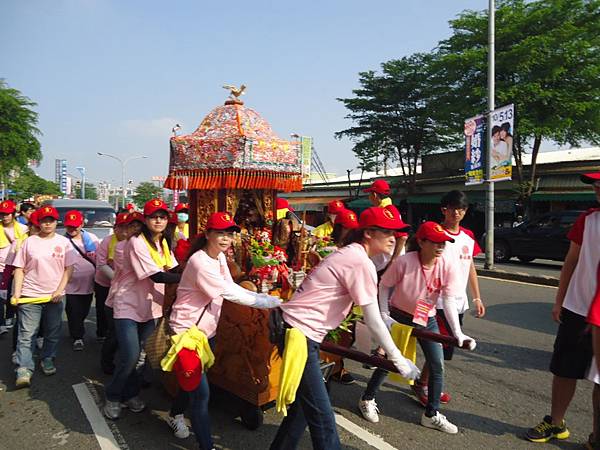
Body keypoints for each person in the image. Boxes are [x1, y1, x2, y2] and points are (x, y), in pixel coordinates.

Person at [270, 206, 420, 450]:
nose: (394, 236)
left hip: (296, 332)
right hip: (300, 336)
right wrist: (398, 358)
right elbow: (373, 320)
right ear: (369, 233)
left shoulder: (355, 253)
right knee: (323, 418)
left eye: (397, 232)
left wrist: (398, 244)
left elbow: (383, 262)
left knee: (302, 409)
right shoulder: (358, 262)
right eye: (387, 231)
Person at [167, 212, 281, 447]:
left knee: (192, 382)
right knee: (201, 395)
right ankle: (206, 445)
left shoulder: (218, 257)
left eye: (229, 234)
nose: (226, 238)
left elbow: (230, 285)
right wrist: (269, 302)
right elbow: (228, 292)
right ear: (208, 234)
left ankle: (174, 414)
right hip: (186, 334)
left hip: (206, 332)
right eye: (220, 233)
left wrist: (263, 297)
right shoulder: (199, 261)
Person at [359, 221, 477, 434]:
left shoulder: (446, 265)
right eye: (436, 242)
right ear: (421, 242)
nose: (441, 247)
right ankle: (367, 398)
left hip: (426, 319)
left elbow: (449, 300)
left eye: (444, 243)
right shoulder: (405, 262)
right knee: (391, 361)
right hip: (399, 316)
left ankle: (431, 414)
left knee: (437, 365)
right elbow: (384, 286)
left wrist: (456, 331)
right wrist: (384, 314)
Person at [525, 171, 600, 443]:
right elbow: (570, 262)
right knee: (564, 369)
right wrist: (560, 301)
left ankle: (596, 435)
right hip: (578, 309)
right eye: (595, 185)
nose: (597, 188)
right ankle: (556, 423)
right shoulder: (588, 220)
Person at [103, 199, 180, 420]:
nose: (158, 220)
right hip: (127, 305)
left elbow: (173, 267)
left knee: (142, 357)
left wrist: (197, 263)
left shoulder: (162, 242)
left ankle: (131, 394)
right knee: (130, 355)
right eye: (154, 216)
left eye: (163, 216)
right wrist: (190, 278)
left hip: (151, 306)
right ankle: (113, 395)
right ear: (145, 220)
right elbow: (158, 275)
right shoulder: (136, 242)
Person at [411, 190, 485, 407]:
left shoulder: (468, 237)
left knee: (443, 348)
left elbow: (470, 266)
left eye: (461, 209)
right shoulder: (432, 232)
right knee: (408, 340)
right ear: (444, 209)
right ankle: (421, 384)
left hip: (455, 303)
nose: (457, 213)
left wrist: (477, 298)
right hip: (429, 302)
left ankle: (423, 383)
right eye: (453, 208)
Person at [12, 206, 75, 388]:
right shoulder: (29, 242)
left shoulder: (64, 243)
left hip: (53, 297)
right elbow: (19, 269)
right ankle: (24, 368)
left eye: (51, 220)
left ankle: (47, 358)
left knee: (52, 332)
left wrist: (59, 290)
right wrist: (17, 293)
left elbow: (68, 268)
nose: (47, 223)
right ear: (38, 222)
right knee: (27, 334)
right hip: (30, 295)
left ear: (56, 222)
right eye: (44, 220)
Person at [101, 212, 144, 374]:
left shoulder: (147, 244)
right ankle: (108, 364)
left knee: (134, 343)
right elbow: (102, 265)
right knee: (115, 336)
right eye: (125, 227)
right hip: (119, 297)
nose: (128, 231)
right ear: (117, 228)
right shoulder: (121, 246)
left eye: (136, 226)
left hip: (139, 299)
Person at [63, 210, 99, 351]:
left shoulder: (92, 238)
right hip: (70, 283)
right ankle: (77, 336)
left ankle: (76, 329)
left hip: (89, 283)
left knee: (84, 310)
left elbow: (99, 257)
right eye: (70, 226)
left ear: (82, 223)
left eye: (76, 226)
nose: (73, 229)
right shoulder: (62, 241)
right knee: (73, 310)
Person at [95, 212, 130, 346]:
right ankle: (102, 333)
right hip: (105, 281)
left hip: (125, 285)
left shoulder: (135, 242)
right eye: (121, 227)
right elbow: (101, 264)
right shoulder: (107, 241)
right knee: (103, 309)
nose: (124, 231)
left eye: (127, 227)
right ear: (115, 228)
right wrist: (117, 279)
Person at [0, 200, 29, 335]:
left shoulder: (23, 229)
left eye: (7, 214)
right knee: (1, 297)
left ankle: (10, 317)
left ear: (13, 214)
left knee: (13, 295)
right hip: (1, 269)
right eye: (2, 214)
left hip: (16, 268)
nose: (4, 217)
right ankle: (1, 323)